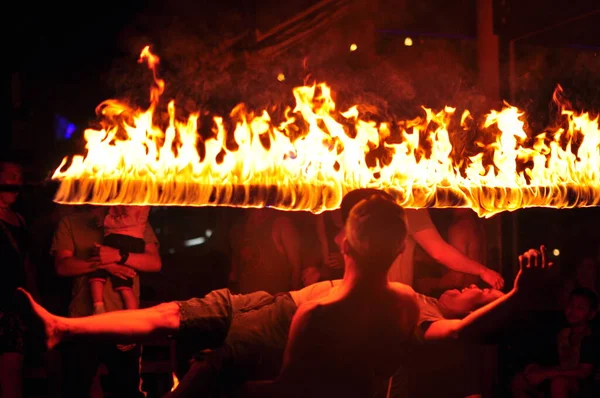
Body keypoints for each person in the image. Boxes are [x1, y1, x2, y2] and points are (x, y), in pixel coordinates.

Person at [52, 205, 161, 398]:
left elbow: (154, 262)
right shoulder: (71, 222)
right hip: (83, 320)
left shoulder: (135, 220)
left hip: (125, 324)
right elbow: (63, 266)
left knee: (127, 390)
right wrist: (105, 265)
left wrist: (120, 256)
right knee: (76, 388)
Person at [511, 287, 600, 398]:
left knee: (559, 382)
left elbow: (583, 372)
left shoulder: (591, 336)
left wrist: (548, 373)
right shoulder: (561, 333)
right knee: (520, 379)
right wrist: (534, 368)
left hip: (584, 385)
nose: (573, 311)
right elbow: (545, 356)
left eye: (580, 308)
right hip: (559, 374)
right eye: (570, 305)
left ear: (592, 314)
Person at [0, 156, 38, 398]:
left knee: (13, 373)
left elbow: (26, 263)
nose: (18, 183)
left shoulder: (20, 220)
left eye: (20, 178)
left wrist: (35, 302)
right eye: (12, 177)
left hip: (13, 307)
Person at [88, 206, 150, 314]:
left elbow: (129, 219)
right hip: (120, 239)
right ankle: (99, 307)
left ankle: (131, 317)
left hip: (124, 240)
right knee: (122, 285)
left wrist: (105, 220)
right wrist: (109, 266)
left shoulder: (137, 202)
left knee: (121, 283)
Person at [229, 208, 303, 294]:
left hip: (274, 303)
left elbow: (297, 267)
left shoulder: (281, 224)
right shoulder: (238, 229)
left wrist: (290, 300)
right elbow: (235, 271)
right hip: (245, 302)